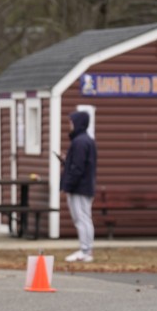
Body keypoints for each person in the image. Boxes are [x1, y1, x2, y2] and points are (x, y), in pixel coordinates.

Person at [60, 110, 97, 262]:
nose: (70, 125)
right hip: (84, 187)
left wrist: (67, 185)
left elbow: (78, 168)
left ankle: (86, 250)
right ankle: (86, 249)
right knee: (84, 218)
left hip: (79, 188)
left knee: (82, 218)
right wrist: (66, 161)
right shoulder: (85, 140)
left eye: (71, 122)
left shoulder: (80, 142)